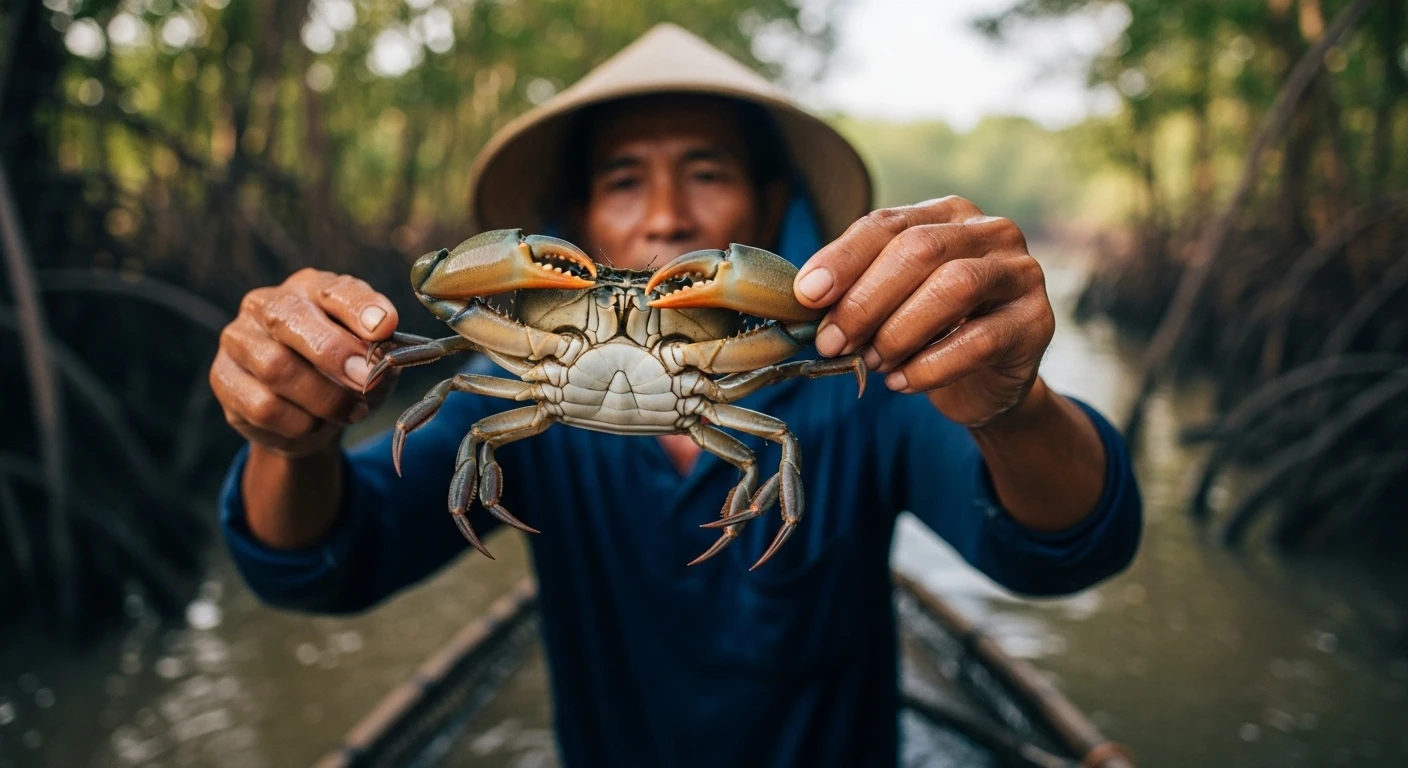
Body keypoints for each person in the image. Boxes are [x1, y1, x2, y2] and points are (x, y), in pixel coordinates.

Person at [209, 24, 1141, 767]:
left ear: (773, 208)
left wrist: (1009, 408)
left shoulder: (861, 386)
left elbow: (1061, 552)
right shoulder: (509, 390)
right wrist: (290, 439)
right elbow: (326, 562)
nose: (664, 213)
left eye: (705, 171)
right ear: (573, 221)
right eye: (624, 180)